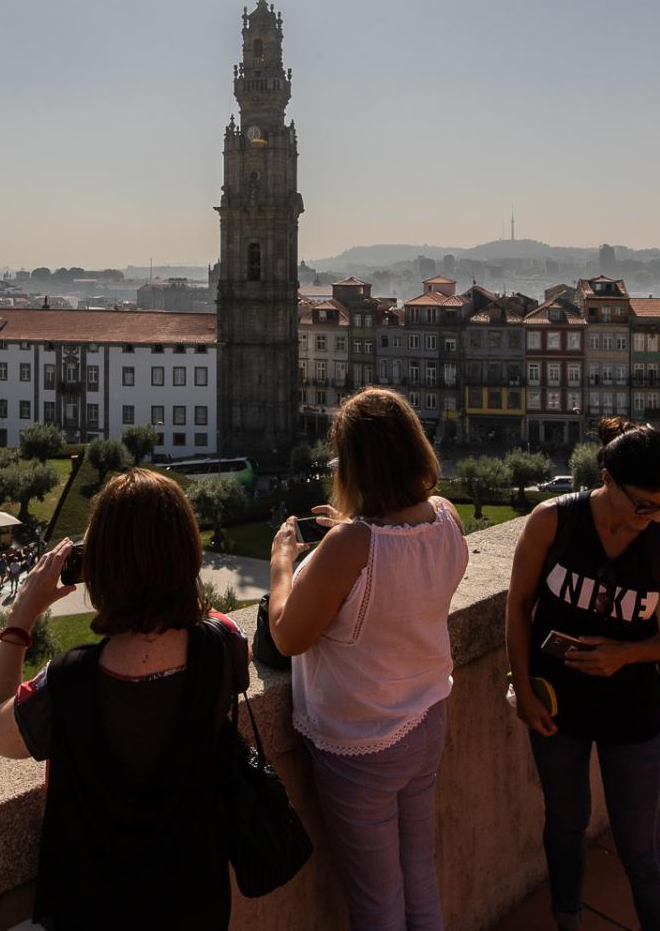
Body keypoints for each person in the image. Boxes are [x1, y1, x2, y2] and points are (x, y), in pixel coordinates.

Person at [0, 468, 249, 930]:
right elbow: (208, 627)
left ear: (99, 568)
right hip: (196, 902)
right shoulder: (224, 644)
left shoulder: (70, 681)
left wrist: (21, 617)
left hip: (91, 909)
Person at [267, 388, 469, 931]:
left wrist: (282, 560)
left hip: (363, 738)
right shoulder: (447, 518)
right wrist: (350, 532)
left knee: (377, 900)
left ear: (353, 464)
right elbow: (399, 579)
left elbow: (287, 637)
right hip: (427, 715)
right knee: (419, 872)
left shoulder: (352, 546)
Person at [506, 417, 660, 931]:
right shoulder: (553, 521)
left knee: (639, 844)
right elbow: (519, 604)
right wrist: (522, 687)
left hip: (632, 709)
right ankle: (567, 921)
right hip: (556, 702)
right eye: (643, 504)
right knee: (565, 825)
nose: (652, 517)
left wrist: (625, 653)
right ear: (607, 478)